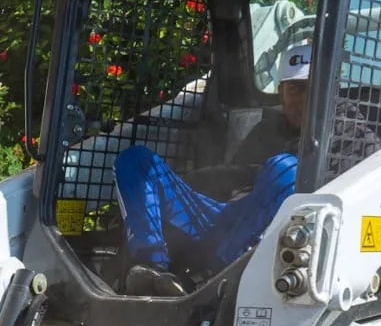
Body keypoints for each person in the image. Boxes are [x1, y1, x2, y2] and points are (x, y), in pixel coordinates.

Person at [113, 43, 311, 277]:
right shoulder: (266, 129)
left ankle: (216, 276)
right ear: (281, 91)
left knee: (286, 170)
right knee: (135, 161)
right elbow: (231, 180)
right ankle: (151, 270)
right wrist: (196, 183)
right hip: (227, 216)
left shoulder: (349, 131)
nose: (304, 99)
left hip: (284, 235)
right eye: (295, 89)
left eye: (311, 88)